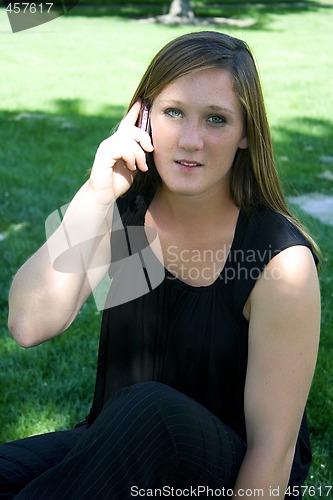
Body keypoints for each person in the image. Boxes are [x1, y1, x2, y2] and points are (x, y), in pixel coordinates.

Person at [1, 31, 320, 499]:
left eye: (216, 119)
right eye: (174, 113)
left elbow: (273, 451)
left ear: (247, 134)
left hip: (231, 475)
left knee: (151, 410)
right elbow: (29, 324)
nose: (191, 141)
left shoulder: (280, 262)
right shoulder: (126, 205)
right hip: (117, 443)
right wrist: (96, 194)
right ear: (142, 117)